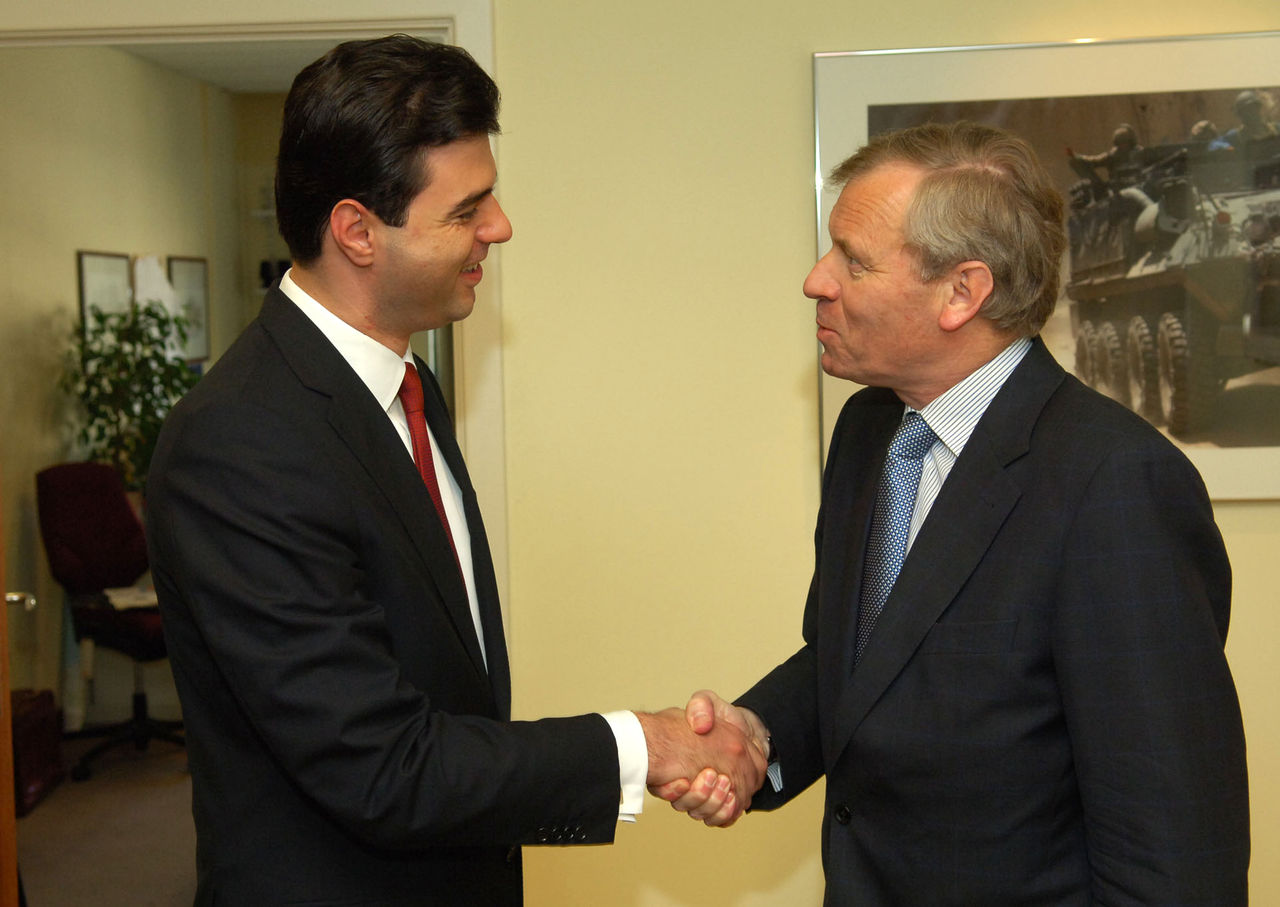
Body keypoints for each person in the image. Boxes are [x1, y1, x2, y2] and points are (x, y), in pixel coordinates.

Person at [146, 35, 763, 905]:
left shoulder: (407, 383)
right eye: (466, 210)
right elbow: (382, 767)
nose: (499, 227)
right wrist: (646, 745)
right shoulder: (241, 443)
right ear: (357, 230)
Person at [657, 121, 1250, 904]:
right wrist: (757, 737)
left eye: (853, 261)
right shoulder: (871, 430)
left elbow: (1174, 851)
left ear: (963, 293)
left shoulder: (1115, 483)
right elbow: (864, 659)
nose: (815, 280)